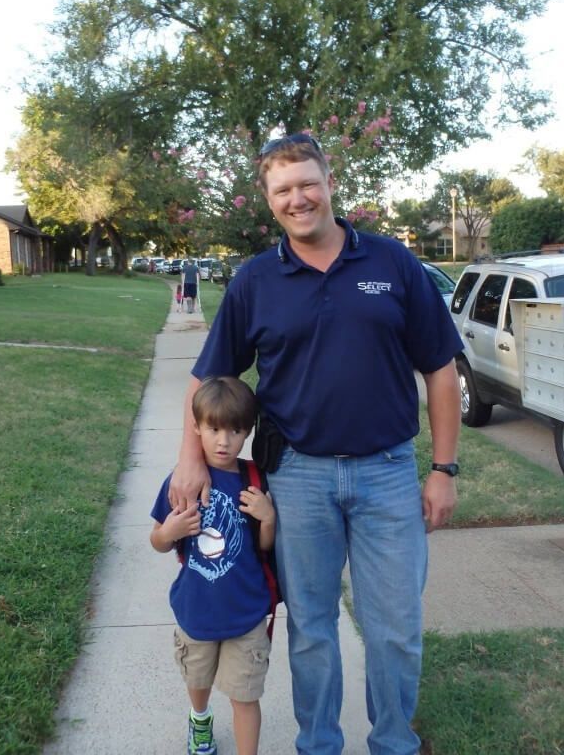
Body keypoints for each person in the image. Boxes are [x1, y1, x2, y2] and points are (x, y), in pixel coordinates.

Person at [169, 133, 463, 755]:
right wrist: (189, 457)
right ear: (269, 200)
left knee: (396, 630)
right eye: (283, 190)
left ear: (330, 183)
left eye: (307, 183)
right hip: (297, 478)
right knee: (310, 629)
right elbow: (209, 375)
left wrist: (443, 469)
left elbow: (441, 368)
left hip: (386, 473)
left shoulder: (392, 263)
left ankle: (392, 743)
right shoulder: (256, 280)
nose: (297, 198)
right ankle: (320, 745)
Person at [150, 376, 276, 755]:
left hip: (246, 613)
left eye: (236, 430)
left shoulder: (254, 478)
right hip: (197, 609)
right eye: (214, 429)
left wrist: (268, 519)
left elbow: (263, 549)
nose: (224, 441)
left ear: (248, 431)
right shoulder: (183, 481)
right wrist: (170, 529)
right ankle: (200, 718)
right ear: (197, 428)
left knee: (245, 696)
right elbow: (157, 540)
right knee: (198, 677)